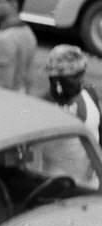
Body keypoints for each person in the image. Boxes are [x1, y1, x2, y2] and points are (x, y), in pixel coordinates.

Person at [39, 44, 100, 186]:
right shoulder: (43, 106)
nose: (81, 80)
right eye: (54, 80)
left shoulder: (90, 94)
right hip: (58, 187)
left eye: (80, 75)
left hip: (91, 185)